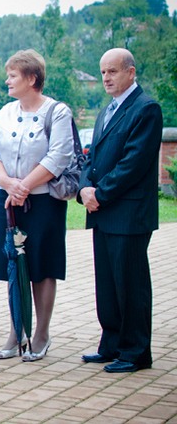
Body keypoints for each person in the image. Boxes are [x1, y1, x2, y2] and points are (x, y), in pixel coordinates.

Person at [0, 49, 74, 361]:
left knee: (42, 266)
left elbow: (59, 156)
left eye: (12, 76)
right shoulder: (4, 113)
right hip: (8, 200)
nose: (7, 81)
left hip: (44, 201)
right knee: (13, 264)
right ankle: (16, 330)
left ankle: (41, 334)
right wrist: (8, 183)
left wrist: (25, 185)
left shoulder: (57, 112)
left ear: (32, 78)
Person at [78, 48, 162, 373]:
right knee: (108, 284)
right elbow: (91, 158)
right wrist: (84, 188)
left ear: (131, 71)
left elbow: (133, 163)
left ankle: (135, 352)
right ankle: (111, 344)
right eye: (102, 72)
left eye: (112, 71)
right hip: (102, 213)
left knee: (130, 285)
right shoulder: (106, 111)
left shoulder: (146, 109)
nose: (106, 78)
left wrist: (100, 193)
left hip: (128, 214)